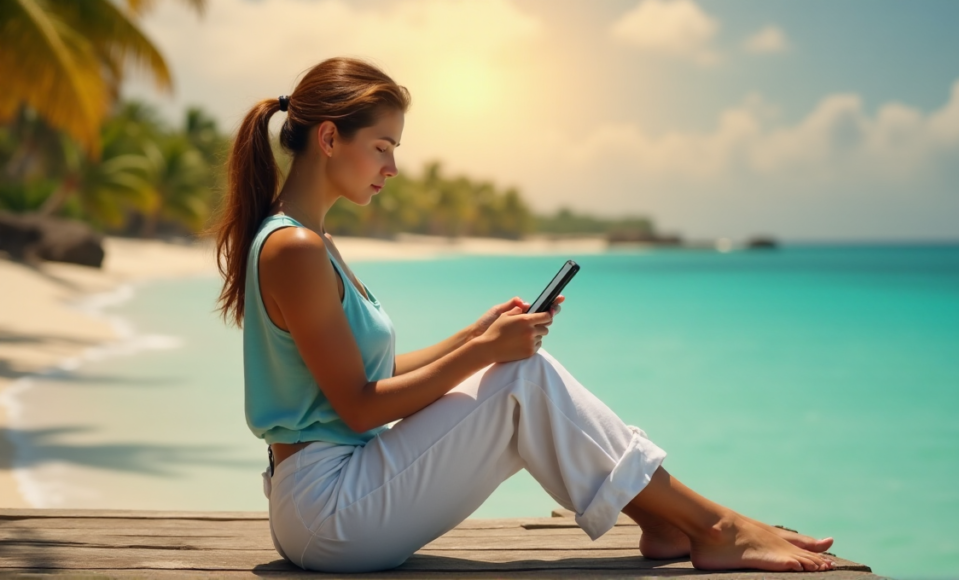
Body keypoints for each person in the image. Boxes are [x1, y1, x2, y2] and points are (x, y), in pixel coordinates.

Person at [213, 57, 836, 574]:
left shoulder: (308, 242)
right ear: (329, 138)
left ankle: (667, 522)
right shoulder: (294, 247)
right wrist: (487, 353)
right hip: (329, 512)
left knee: (516, 375)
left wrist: (475, 336)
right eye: (381, 147)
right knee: (520, 380)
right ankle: (716, 526)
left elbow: (364, 373)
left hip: (332, 494)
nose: (392, 168)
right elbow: (359, 405)